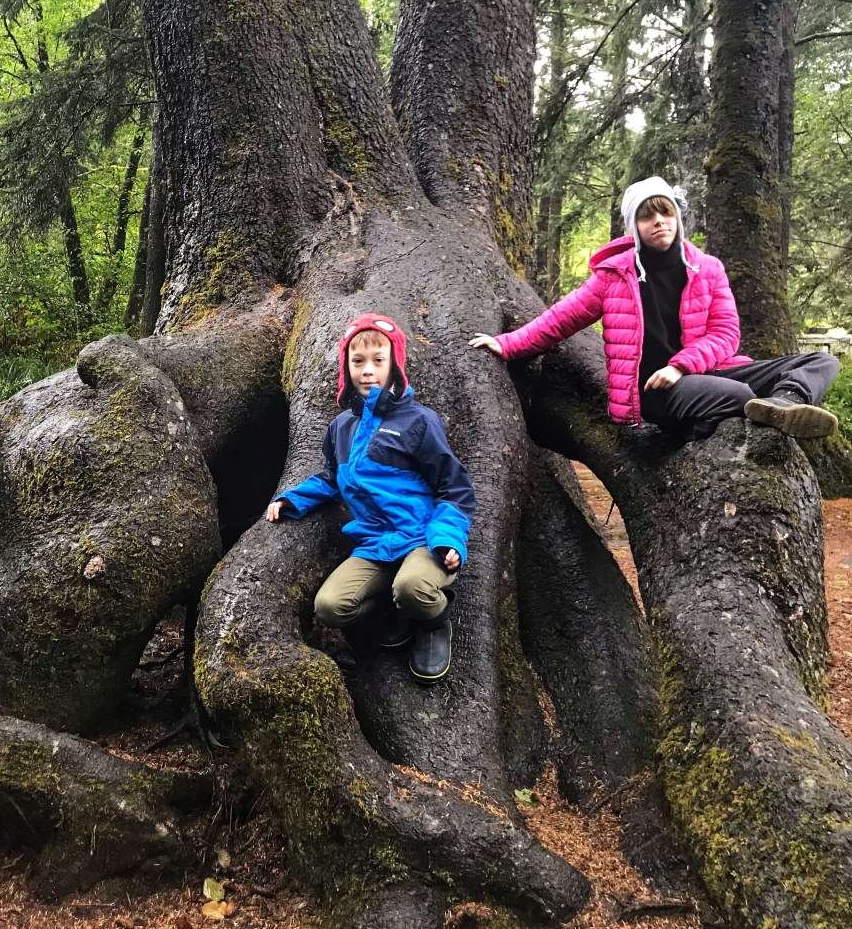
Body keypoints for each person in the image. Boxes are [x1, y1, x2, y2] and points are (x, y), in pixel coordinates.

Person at [469, 176, 840, 441]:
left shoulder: (707, 268)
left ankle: (783, 405)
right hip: (654, 391)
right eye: (648, 216)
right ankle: (703, 426)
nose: (659, 221)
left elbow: (727, 334)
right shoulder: (614, 277)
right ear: (635, 226)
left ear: (677, 217)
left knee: (821, 362)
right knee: (738, 397)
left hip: (708, 373)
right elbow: (560, 318)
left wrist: (682, 364)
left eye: (666, 212)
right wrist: (507, 344)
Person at [266, 313, 475, 684]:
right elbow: (332, 477)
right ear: (346, 368)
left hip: (423, 538)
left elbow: (454, 489)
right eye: (358, 362)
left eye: (378, 361)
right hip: (375, 542)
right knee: (330, 607)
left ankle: (434, 622)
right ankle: (398, 610)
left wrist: (448, 538)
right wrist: (291, 500)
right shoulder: (341, 427)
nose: (368, 371)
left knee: (413, 587)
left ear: (394, 364)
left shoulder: (419, 422)